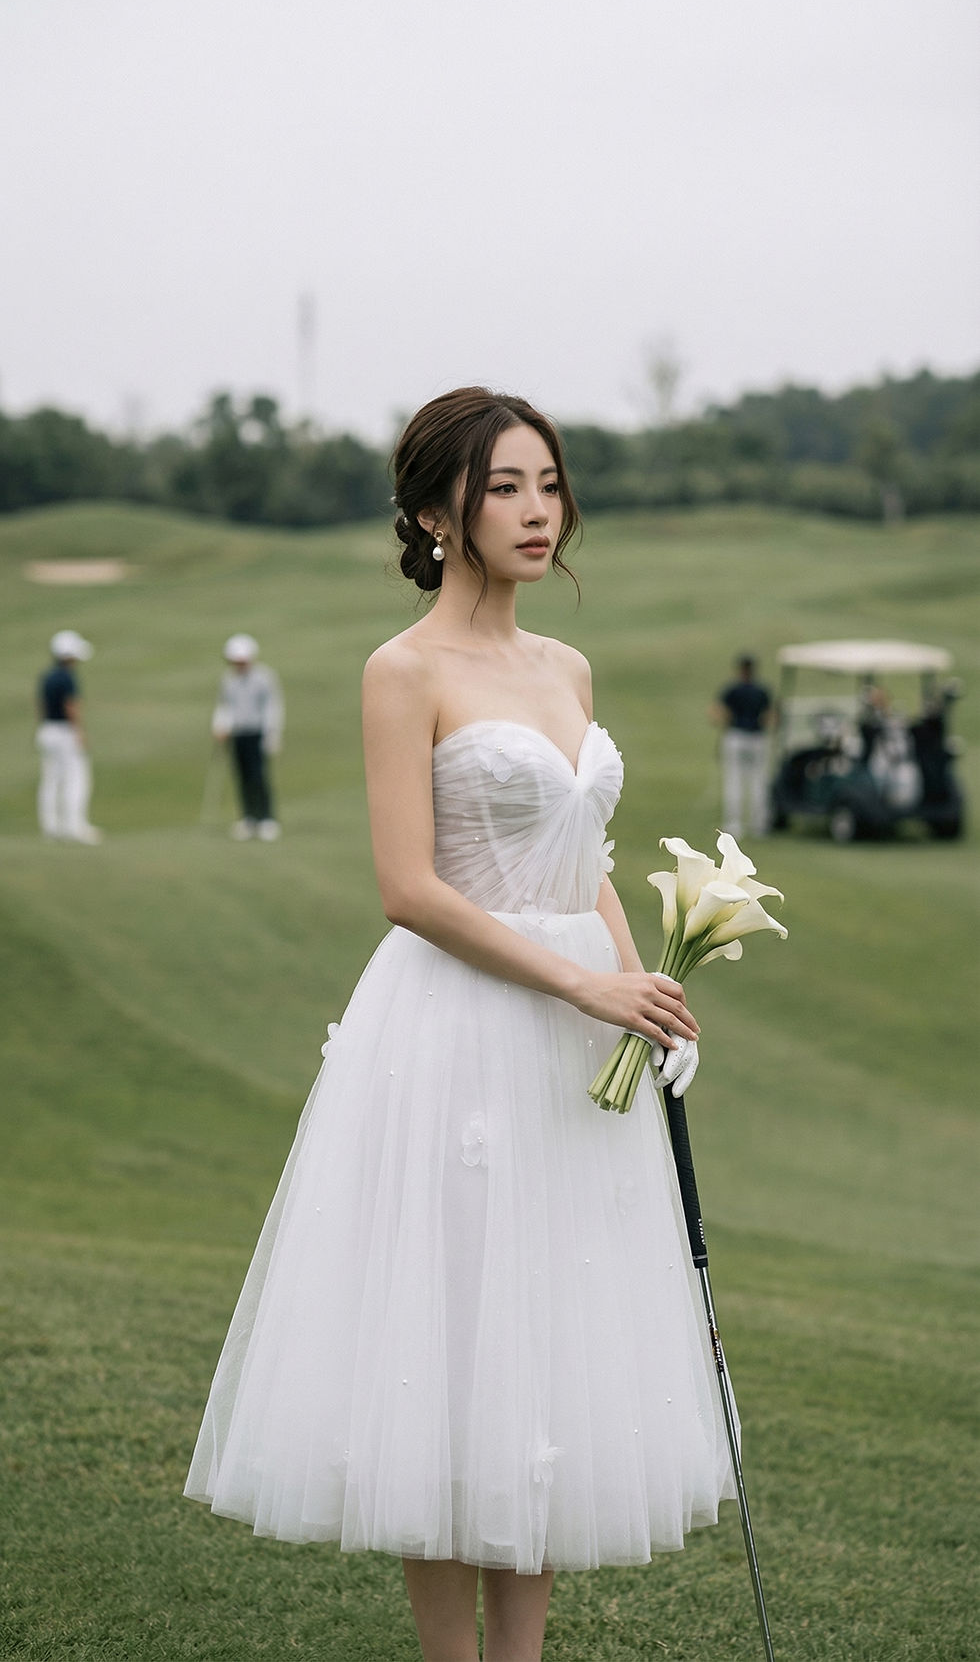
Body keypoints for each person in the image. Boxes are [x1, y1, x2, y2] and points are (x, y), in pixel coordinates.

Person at [185, 389, 735, 1662]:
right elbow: (409, 888)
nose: (537, 510)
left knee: (539, 1356)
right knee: (446, 1364)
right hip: (454, 1034)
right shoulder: (403, 670)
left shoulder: (565, 668)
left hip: (568, 1041)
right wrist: (581, 985)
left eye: (547, 482)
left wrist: (638, 981)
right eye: (503, 487)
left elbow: (581, 854)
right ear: (436, 512)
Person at [211, 634, 284, 840]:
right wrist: (220, 726)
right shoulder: (228, 679)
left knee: (259, 776)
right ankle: (248, 818)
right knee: (242, 777)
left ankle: (267, 818)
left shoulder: (264, 677)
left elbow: (272, 706)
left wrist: (272, 733)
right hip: (238, 734)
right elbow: (225, 706)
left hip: (257, 733)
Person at [35, 630, 102, 844]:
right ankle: (74, 827)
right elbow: (71, 706)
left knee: (51, 780)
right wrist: (79, 731)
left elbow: (41, 705)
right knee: (76, 778)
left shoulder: (47, 676)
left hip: (47, 730)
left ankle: (51, 827)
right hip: (64, 732)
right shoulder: (67, 677)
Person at [712, 654, 772, 839]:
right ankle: (758, 825)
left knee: (734, 782)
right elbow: (770, 716)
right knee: (758, 782)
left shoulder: (733, 690)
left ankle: (734, 826)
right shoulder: (762, 690)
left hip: (736, 735)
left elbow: (716, 712)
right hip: (757, 738)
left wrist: (726, 723)